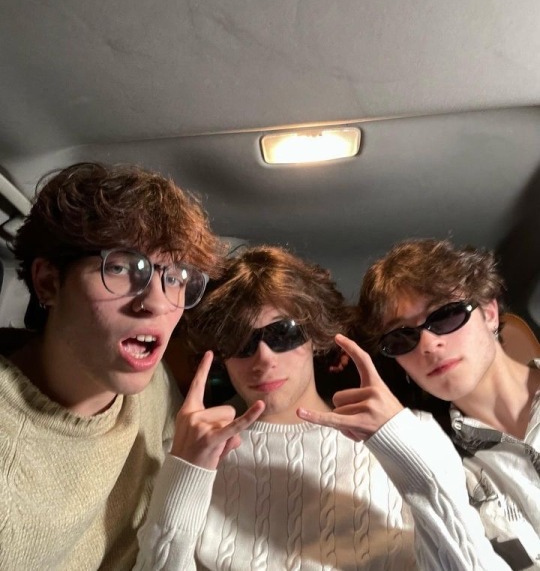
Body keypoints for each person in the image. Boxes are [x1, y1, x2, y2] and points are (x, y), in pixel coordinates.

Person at [135, 245, 509, 570]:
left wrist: (404, 448)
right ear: (220, 355)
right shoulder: (189, 453)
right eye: (239, 341)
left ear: (314, 336)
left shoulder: (413, 433)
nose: (263, 358)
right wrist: (185, 472)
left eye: (282, 333)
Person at [0, 161, 222, 570]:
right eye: (120, 267)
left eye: (175, 276)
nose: (156, 302)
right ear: (48, 282)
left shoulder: (151, 381)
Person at [356, 238, 540, 570]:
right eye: (401, 337)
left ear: (489, 313)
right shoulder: (442, 466)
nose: (428, 344)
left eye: (445, 315)